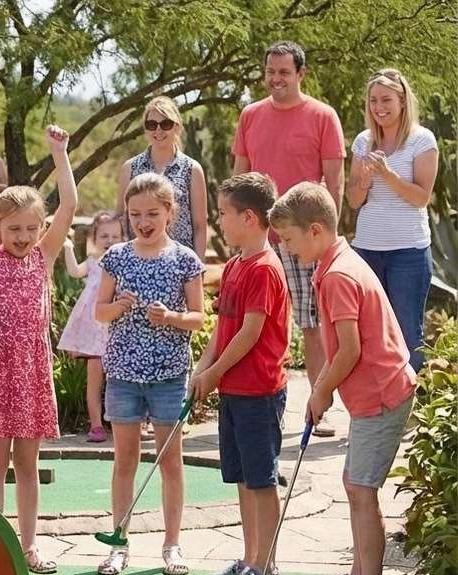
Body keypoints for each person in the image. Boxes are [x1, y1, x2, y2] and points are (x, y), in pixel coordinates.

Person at [270, 182, 417, 575]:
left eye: (291, 241)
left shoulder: (337, 276)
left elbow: (349, 349)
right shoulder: (337, 261)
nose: (289, 252)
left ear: (314, 230)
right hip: (377, 391)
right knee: (355, 484)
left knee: (360, 489)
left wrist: (320, 391)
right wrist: (326, 389)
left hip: (380, 394)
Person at [0, 124, 76, 574]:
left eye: (32, 227)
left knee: (27, 464)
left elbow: (69, 203)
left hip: (31, 369)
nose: (24, 236)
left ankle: (28, 547)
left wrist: (59, 153)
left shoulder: (43, 256)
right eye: (14, 229)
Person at [94, 173, 205, 575]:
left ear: (170, 213)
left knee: (170, 461)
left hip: (169, 374)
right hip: (123, 372)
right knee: (124, 460)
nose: (144, 221)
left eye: (152, 213)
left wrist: (173, 317)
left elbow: (198, 318)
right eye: (136, 213)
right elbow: (99, 312)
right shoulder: (117, 256)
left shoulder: (185, 260)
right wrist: (118, 306)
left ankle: (172, 544)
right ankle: (118, 543)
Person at [232, 41, 345, 436]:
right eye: (271, 71)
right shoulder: (250, 115)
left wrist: (327, 238)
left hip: (304, 236)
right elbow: (240, 179)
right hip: (263, 239)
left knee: (312, 324)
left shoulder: (323, 116)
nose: (276, 79)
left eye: (284, 72)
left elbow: (334, 181)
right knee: (258, 322)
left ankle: (319, 407)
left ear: (300, 74)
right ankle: (262, 404)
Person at [191, 172, 290, 575]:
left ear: (249, 218)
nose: (220, 222)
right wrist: (204, 365)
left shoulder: (265, 269)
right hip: (233, 390)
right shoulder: (234, 265)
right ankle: (250, 559)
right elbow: (224, 327)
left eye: (225, 214)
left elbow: (250, 333)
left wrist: (215, 373)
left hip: (259, 391)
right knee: (242, 479)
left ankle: (266, 565)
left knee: (261, 480)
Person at [346, 68, 439, 372]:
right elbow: (354, 201)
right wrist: (364, 180)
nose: (379, 107)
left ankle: (407, 411)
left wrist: (388, 175)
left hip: (408, 251)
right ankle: (375, 410)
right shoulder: (363, 142)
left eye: (386, 99)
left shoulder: (421, 140)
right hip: (367, 249)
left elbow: (421, 198)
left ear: (402, 101)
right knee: (369, 331)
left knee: (406, 332)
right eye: (373, 100)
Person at [59, 211, 125, 443]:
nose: (109, 241)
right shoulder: (93, 263)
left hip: (117, 331)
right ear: (94, 239)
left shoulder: (126, 264)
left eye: (115, 236)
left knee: (122, 379)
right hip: (94, 333)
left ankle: (129, 421)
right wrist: (67, 248)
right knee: (94, 380)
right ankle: (96, 425)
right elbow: (75, 272)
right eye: (104, 236)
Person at [118, 96, 208, 255]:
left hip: (180, 264)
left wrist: (199, 268)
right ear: (145, 129)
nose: (158, 131)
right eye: (151, 125)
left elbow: (200, 226)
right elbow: (122, 221)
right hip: (138, 262)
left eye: (165, 124)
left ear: (177, 127)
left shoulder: (192, 170)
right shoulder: (129, 168)